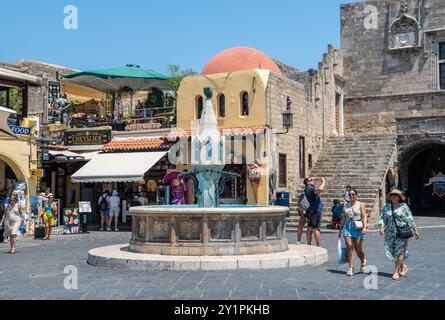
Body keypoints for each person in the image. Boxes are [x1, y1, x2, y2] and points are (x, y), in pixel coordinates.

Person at [378, 189, 420, 281]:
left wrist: (415, 230)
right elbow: (382, 217)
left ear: (399, 198)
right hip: (390, 233)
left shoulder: (403, 206)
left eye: (395, 195)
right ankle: (403, 266)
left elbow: (410, 218)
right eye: (392, 195)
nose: (393, 196)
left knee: (400, 251)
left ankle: (396, 271)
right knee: (393, 252)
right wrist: (381, 227)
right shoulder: (386, 207)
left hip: (402, 231)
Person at [338, 188, 368, 276]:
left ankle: (362, 260)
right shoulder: (345, 205)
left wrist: (365, 227)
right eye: (349, 194)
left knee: (359, 249)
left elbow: (364, 216)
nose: (351, 196)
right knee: (349, 248)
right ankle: (351, 268)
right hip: (347, 227)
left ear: (356, 195)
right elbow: (343, 218)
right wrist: (340, 230)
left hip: (358, 227)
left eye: (353, 194)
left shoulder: (361, 204)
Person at [303, 177, 325, 247]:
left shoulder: (307, 189)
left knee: (310, 227)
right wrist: (323, 182)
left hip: (309, 210)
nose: (312, 181)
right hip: (315, 211)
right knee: (316, 228)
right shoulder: (310, 189)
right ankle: (318, 246)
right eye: (311, 180)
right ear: (307, 182)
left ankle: (309, 244)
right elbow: (320, 189)